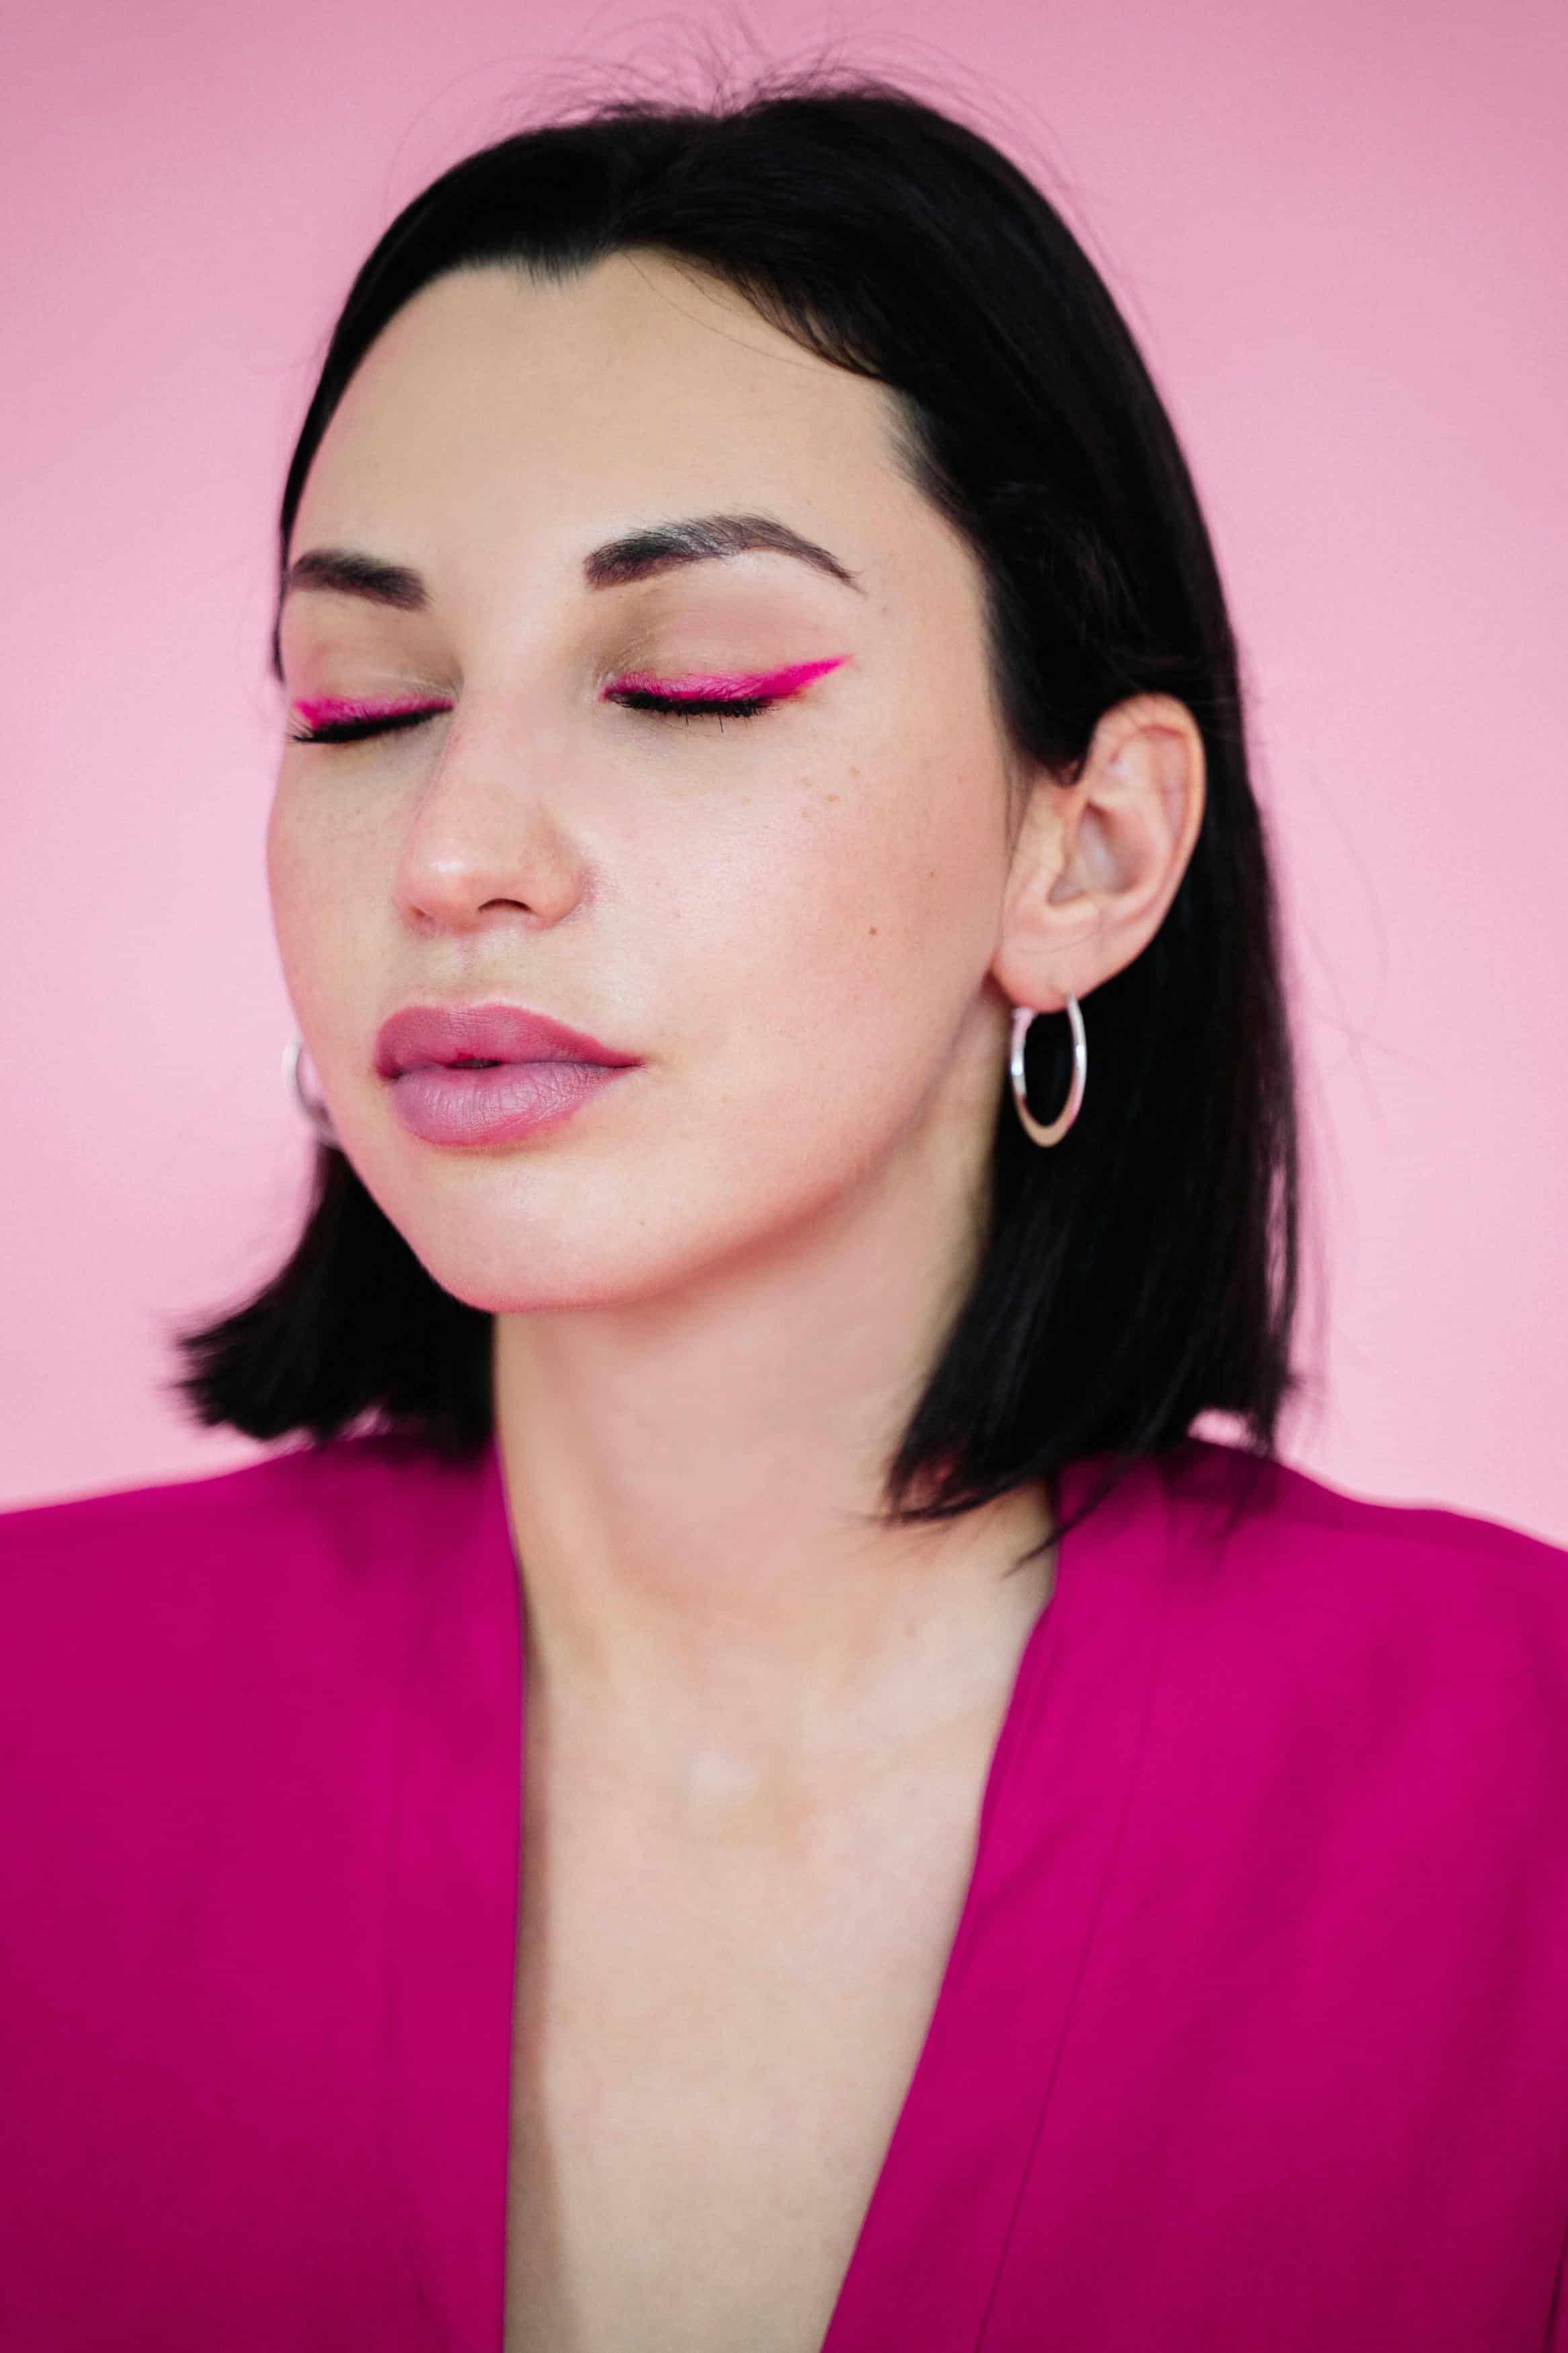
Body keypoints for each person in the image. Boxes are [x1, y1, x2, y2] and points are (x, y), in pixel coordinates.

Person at [1, 69, 1565, 2353]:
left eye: (686, 685)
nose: (452, 852)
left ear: (1092, 850)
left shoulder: (1519, 1799)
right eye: (360, 707)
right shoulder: (34, 1728)